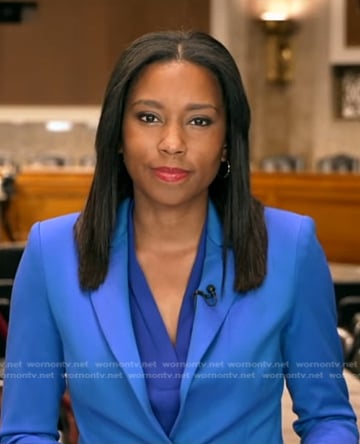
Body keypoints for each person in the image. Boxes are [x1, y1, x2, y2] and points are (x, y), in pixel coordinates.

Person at [0, 30, 358, 444]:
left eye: (199, 121)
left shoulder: (290, 247)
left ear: (227, 142)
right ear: (118, 133)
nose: (173, 143)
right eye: (149, 117)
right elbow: (25, 431)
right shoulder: (52, 253)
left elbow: (328, 418)